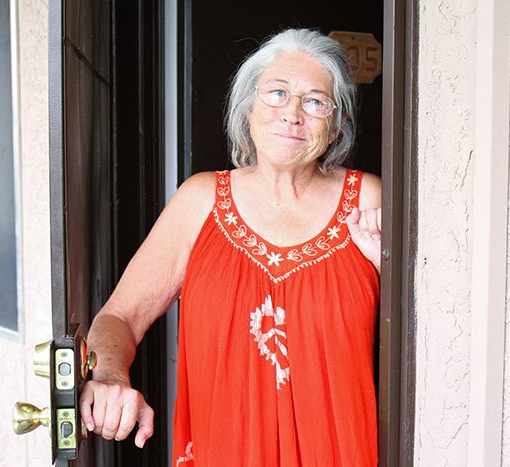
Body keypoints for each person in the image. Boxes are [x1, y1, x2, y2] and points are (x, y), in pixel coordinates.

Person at [79, 28, 382, 466]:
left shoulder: (369, 204)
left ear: (335, 128)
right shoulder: (200, 203)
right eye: (277, 93)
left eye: (315, 101)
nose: (293, 113)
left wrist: (386, 269)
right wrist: (108, 375)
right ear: (249, 110)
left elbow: (432, 332)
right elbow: (119, 316)